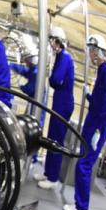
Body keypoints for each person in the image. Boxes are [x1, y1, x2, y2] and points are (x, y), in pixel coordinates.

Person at [64, 34, 106, 210]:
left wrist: (96, 131)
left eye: (93, 51)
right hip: (92, 125)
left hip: (96, 128)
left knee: (83, 166)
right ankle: (79, 203)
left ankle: (82, 209)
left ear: (99, 52)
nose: (91, 55)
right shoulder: (101, 72)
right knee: (82, 164)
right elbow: (98, 102)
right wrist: (88, 96)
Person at [36, 26, 75, 189]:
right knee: (52, 138)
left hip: (63, 103)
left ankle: (52, 178)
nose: (51, 45)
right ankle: (47, 172)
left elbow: (55, 79)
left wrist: (52, 78)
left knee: (56, 140)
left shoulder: (65, 57)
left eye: (52, 41)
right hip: (60, 101)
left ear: (58, 41)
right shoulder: (60, 57)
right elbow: (54, 81)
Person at [10, 49, 46, 162]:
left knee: (34, 128)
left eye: (26, 59)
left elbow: (30, 89)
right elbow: (24, 71)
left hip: (37, 104)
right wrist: (12, 66)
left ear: (31, 59)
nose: (25, 62)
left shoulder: (36, 73)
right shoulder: (33, 69)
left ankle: (32, 157)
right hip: (34, 101)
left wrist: (21, 87)